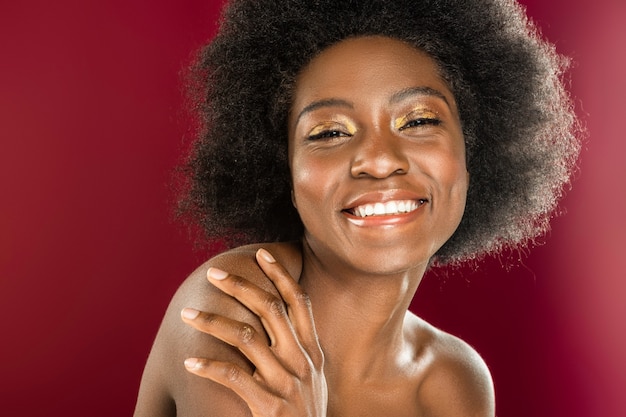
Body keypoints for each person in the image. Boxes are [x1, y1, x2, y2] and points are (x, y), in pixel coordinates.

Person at [134, 0, 580, 415]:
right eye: (329, 132)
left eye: (420, 121)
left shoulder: (454, 382)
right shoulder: (240, 307)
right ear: (283, 172)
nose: (381, 159)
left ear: (472, 155)